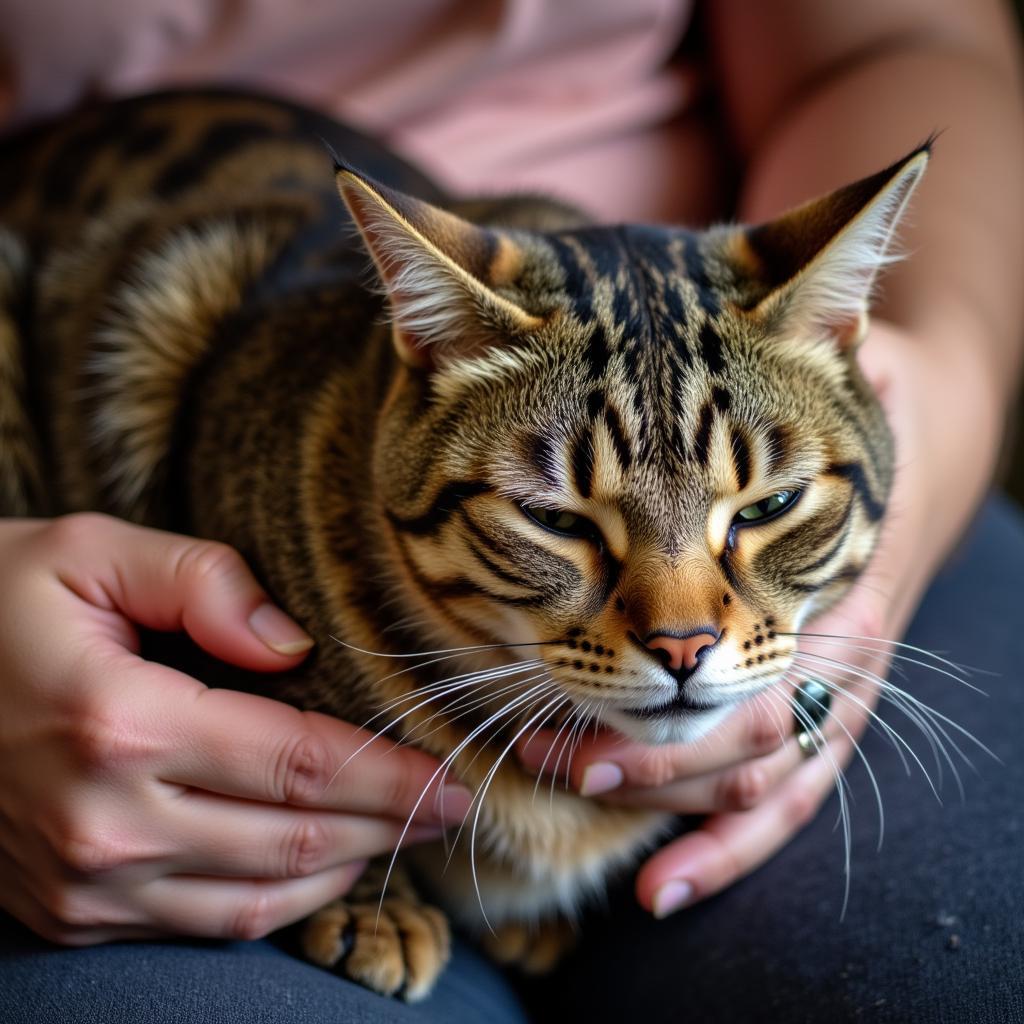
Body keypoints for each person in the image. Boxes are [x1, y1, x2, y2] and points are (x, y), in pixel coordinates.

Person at [1, 1, 1022, 1020]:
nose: (682, 631)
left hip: (700, 299)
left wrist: (944, 381)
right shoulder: (310, 511)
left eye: (773, 509)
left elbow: (912, 42)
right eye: (563, 520)